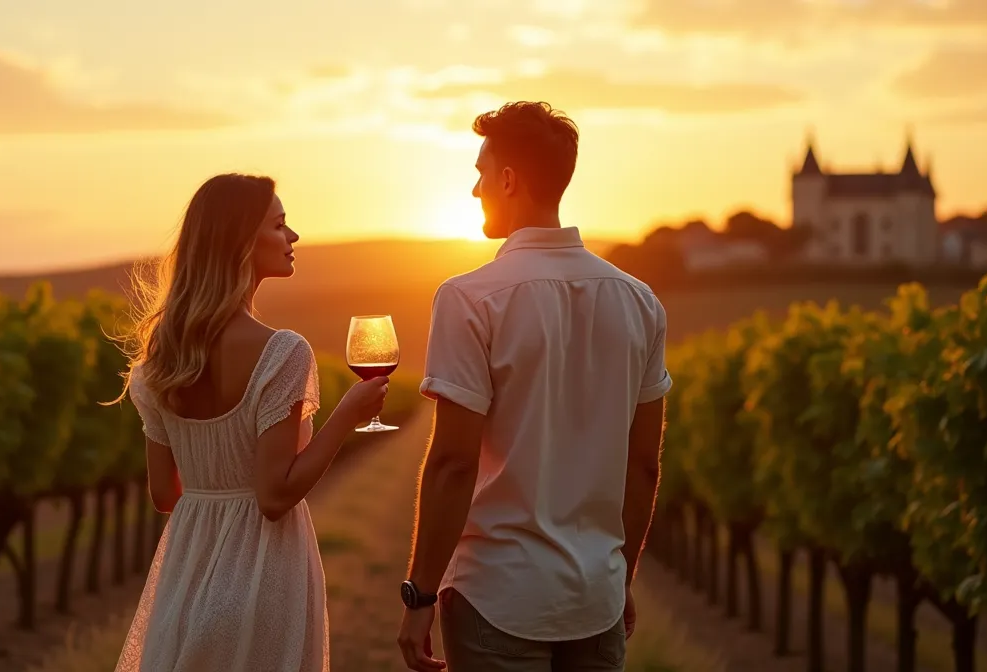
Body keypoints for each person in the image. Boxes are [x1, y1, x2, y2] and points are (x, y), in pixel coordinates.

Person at [397, 101, 671, 671]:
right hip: (596, 597)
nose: (475, 189)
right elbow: (644, 464)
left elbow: (452, 462)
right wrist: (622, 577)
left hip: (497, 596)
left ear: (508, 179)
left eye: (480, 172)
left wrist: (420, 596)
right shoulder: (640, 302)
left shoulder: (469, 298)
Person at [112, 173, 389, 672]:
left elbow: (163, 494)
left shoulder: (159, 361)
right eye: (280, 225)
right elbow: (274, 497)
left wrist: (211, 480)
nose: (294, 237)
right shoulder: (282, 352)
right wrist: (345, 416)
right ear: (242, 242)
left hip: (187, 576)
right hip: (264, 579)